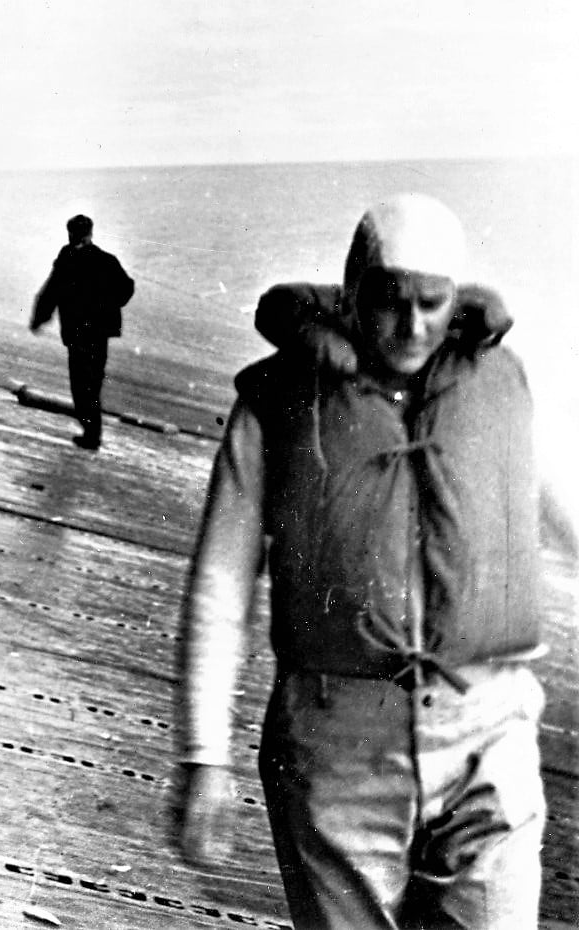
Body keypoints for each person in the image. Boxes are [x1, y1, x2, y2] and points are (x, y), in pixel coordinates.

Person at [176, 194, 553, 929]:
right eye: (390, 302)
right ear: (351, 294)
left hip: (489, 730)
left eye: (432, 304)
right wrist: (202, 756)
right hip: (335, 745)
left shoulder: (499, 388)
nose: (412, 326)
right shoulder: (277, 401)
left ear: (456, 302)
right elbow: (220, 586)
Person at [29, 215, 134, 450]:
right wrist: (108, 308)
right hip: (99, 333)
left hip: (78, 332)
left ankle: (91, 433)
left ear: (71, 233)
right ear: (90, 233)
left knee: (81, 384)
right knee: (92, 382)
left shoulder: (68, 258)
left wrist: (40, 317)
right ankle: (91, 433)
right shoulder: (107, 260)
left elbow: (51, 291)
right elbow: (127, 288)